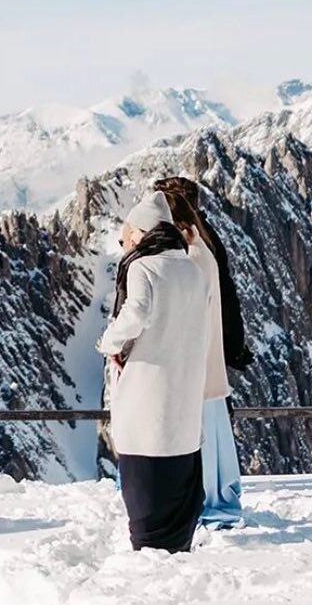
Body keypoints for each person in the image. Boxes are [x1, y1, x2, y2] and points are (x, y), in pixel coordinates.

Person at [97, 193, 211, 553]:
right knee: (178, 492)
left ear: (141, 233)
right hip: (185, 399)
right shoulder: (192, 268)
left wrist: (109, 343)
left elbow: (136, 314)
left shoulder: (142, 267)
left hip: (148, 393)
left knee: (145, 494)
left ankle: (149, 560)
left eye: (128, 234)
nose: (126, 242)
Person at [155, 180, 246, 527]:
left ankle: (204, 498)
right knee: (210, 427)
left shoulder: (189, 253)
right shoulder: (203, 243)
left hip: (194, 358)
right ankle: (213, 493)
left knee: (198, 432)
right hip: (208, 355)